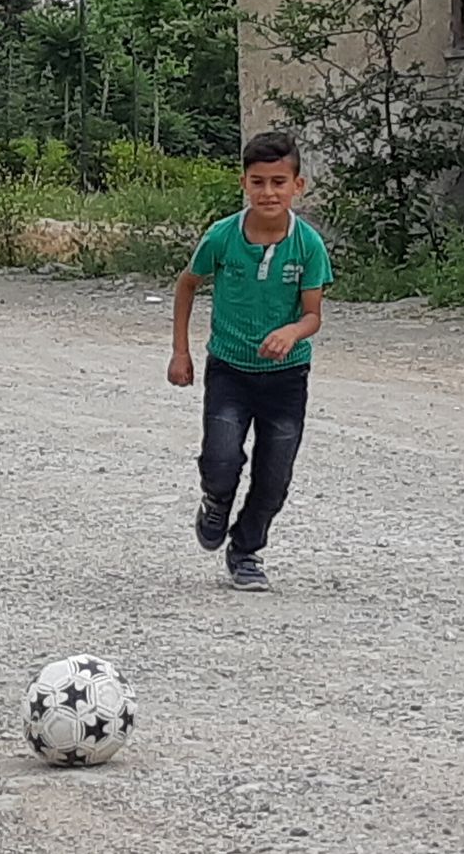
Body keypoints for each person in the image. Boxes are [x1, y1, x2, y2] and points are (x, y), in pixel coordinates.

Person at [168, 130, 333, 592]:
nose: (268, 192)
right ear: (244, 182)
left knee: (274, 475)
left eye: (279, 182)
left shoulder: (308, 246)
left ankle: (246, 552)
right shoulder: (222, 236)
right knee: (221, 457)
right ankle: (216, 501)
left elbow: (313, 314)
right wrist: (181, 351)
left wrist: (291, 331)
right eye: (258, 182)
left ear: (297, 186)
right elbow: (187, 285)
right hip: (230, 370)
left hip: (286, 377)